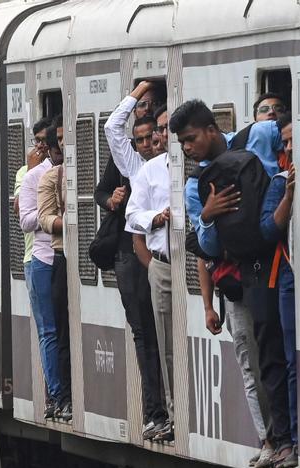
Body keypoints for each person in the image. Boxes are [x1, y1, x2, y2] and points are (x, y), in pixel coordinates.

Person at [172, 99, 291, 468]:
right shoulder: (197, 186)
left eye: (191, 139)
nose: (188, 149)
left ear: (211, 129)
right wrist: (208, 216)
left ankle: (287, 435)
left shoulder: (259, 134)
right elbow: (207, 247)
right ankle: (271, 439)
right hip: (241, 279)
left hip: (281, 262)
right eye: (182, 144)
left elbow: (291, 130)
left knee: (278, 353)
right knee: (252, 362)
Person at [101, 81, 169, 438]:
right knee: (145, 334)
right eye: (141, 139)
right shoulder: (134, 166)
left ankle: (165, 409)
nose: (148, 144)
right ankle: (154, 410)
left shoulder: (169, 163)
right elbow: (112, 127)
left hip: (161, 260)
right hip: (140, 257)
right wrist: (140, 89)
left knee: (163, 337)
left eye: (153, 137)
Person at [124, 105, 175, 441]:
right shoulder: (151, 171)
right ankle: (172, 413)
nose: (165, 134)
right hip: (164, 263)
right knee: (166, 342)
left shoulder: (199, 168)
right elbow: (133, 216)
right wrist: (156, 218)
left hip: (198, 263)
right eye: (165, 128)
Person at [19, 117, 71, 422]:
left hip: (65, 257)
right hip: (42, 259)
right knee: (49, 330)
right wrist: (50, 217)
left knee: (65, 327)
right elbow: (25, 220)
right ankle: (56, 393)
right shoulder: (33, 177)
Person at [259, 117, 299, 468]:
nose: (289, 148)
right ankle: (289, 437)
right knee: (288, 358)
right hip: (284, 274)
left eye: (294, 140)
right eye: (284, 143)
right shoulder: (279, 182)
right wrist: (287, 196)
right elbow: (269, 230)